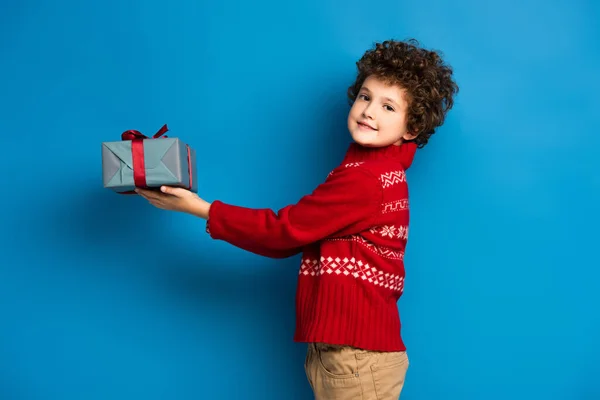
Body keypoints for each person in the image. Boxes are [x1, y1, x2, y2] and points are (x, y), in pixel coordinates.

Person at [136, 38, 458, 399]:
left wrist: (199, 208)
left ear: (410, 129)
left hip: (355, 358)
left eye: (388, 107)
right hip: (352, 353)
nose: (369, 111)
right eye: (365, 97)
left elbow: (283, 232)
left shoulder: (365, 180)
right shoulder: (371, 169)